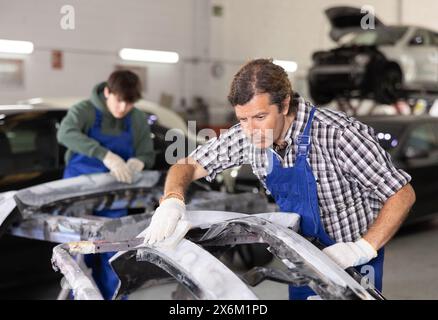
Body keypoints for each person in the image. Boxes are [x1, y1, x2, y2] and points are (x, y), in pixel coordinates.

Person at [142, 58, 416, 300]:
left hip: (354, 260)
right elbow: (187, 165)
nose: (250, 129)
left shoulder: (339, 135)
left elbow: (401, 194)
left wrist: (361, 249)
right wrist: (172, 201)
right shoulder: (247, 135)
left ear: (284, 104)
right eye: (243, 118)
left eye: (260, 116)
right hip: (302, 258)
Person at [57, 70, 155, 299]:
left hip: (114, 199)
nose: (122, 108)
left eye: (129, 104)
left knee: (112, 258)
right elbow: (65, 133)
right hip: (77, 197)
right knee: (76, 263)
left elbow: (147, 152)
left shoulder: (137, 118)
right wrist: (104, 155)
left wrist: (139, 161)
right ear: (107, 92)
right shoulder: (85, 111)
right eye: (119, 100)